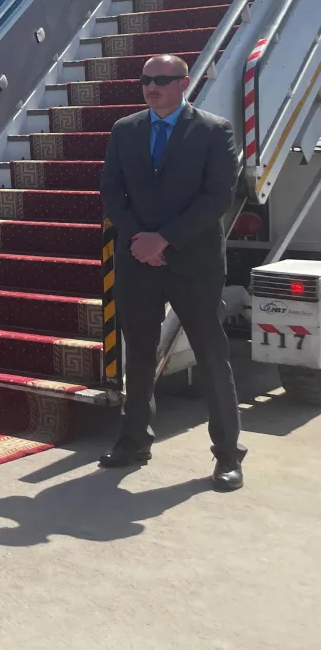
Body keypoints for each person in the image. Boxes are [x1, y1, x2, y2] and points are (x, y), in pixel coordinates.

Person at [99, 54, 244, 489]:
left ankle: (227, 455)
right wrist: (141, 239)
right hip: (138, 261)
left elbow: (218, 196)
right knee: (139, 355)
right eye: (146, 80)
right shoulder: (125, 130)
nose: (152, 87)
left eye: (162, 80)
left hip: (193, 263)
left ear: (184, 84)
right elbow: (111, 191)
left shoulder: (214, 130)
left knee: (212, 356)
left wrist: (165, 239)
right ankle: (134, 440)